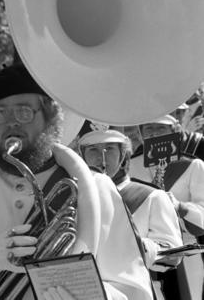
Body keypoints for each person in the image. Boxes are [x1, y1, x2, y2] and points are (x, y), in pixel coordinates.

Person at [0, 63, 154, 300]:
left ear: (51, 118)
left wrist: (95, 295)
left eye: (24, 111)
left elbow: (134, 289)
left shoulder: (97, 188)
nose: (12, 122)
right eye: (1, 113)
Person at [77, 128, 183, 300]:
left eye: (110, 149)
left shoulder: (151, 196)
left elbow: (174, 255)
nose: (101, 157)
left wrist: (133, 244)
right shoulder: (75, 196)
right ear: (82, 156)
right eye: (93, 149)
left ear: (124, 156)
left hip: (134, 293)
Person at [130, 115, 204, 300]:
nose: (154, 133)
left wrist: (179, 206)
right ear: (140, 134)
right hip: (142, 253)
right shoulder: (130, 166)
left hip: (185, 254)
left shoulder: (193, 165)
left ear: (175, 131)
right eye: (148, 128)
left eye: (160, 128)